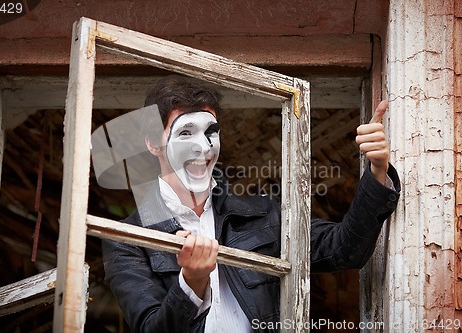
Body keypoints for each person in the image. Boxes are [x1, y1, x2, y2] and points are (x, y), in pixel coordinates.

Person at [102, 75, 401, 333]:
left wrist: (377, 170)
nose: (203, 147)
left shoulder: (262, 214)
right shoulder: (129, 238)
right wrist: (191, 283)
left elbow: (345, 249)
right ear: (153, 143)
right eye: (185, 133)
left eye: (211, 132)